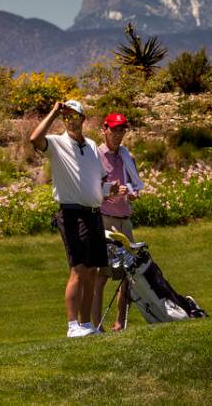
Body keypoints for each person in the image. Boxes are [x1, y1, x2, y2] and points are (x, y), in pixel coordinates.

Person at [29, 99, 111, 338]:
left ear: (83, 120)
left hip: (95, 214)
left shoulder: (93, 146)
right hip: (73, 214)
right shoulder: (56, 143)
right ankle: (72, 325)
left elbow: (98, 180)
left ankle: (86, 325)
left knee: (93, 271)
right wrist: (54, 112)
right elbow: (34, 139)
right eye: (67, 117)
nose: (71, 120)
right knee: (79, 269)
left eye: (75, 116)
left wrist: (110, 192)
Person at [91, 112, 144, 332]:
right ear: (105, 129)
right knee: (101, 274)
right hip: (105, 219)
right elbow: (91, 189)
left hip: (125, 219)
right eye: (114, 129)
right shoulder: (95, 156)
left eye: (122, 130)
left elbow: (135, 185)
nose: (118, 134)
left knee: (127, 275)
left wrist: (132, 193)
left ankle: (119, 322)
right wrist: (112, 190)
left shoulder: (126, 156)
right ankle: (96, 325)